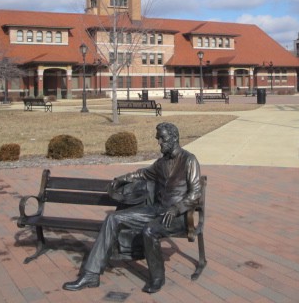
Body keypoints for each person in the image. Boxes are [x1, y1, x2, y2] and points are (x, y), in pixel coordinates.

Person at [62, 122, 202, 294]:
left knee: (149, 231)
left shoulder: (189, 160)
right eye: (158, 138)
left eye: (162, 138)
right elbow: (142, 173)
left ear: (174, 138)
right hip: (156, 210)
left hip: (176, 216)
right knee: (113, 218)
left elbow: (195, 193)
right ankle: (91, 274)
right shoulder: (161, 163)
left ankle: (157, 278)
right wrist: (122, 178)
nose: (159, 142)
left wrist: (176, 209)